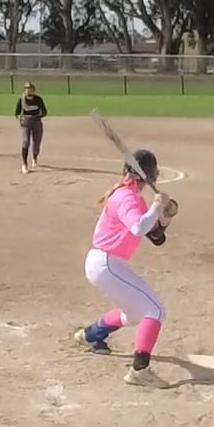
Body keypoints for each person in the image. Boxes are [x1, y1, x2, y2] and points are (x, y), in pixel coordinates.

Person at [70, 150, 176, 388]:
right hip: (106, 263)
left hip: (106, 263)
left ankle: (91, 335)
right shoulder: (126, 197)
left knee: (135, 313)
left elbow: (156, 237)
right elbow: (138, 227)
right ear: (151, 175)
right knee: (155, 310)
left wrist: (165, 217)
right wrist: (156, 206)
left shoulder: (132, 197)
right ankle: (140, 370)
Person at [15, 81, 47, 173]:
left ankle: (34, 157)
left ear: (33, 90)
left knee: (36, 142)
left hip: (36, 122)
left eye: (30, 89)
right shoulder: (22, 99)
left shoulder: (38, 99)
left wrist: (39, 116)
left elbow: (44, 111)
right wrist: (20, 117)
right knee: (25, 141)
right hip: (26, 123)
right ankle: (24, 164)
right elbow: (17, 113)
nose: (28, 90)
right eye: (26, 89)